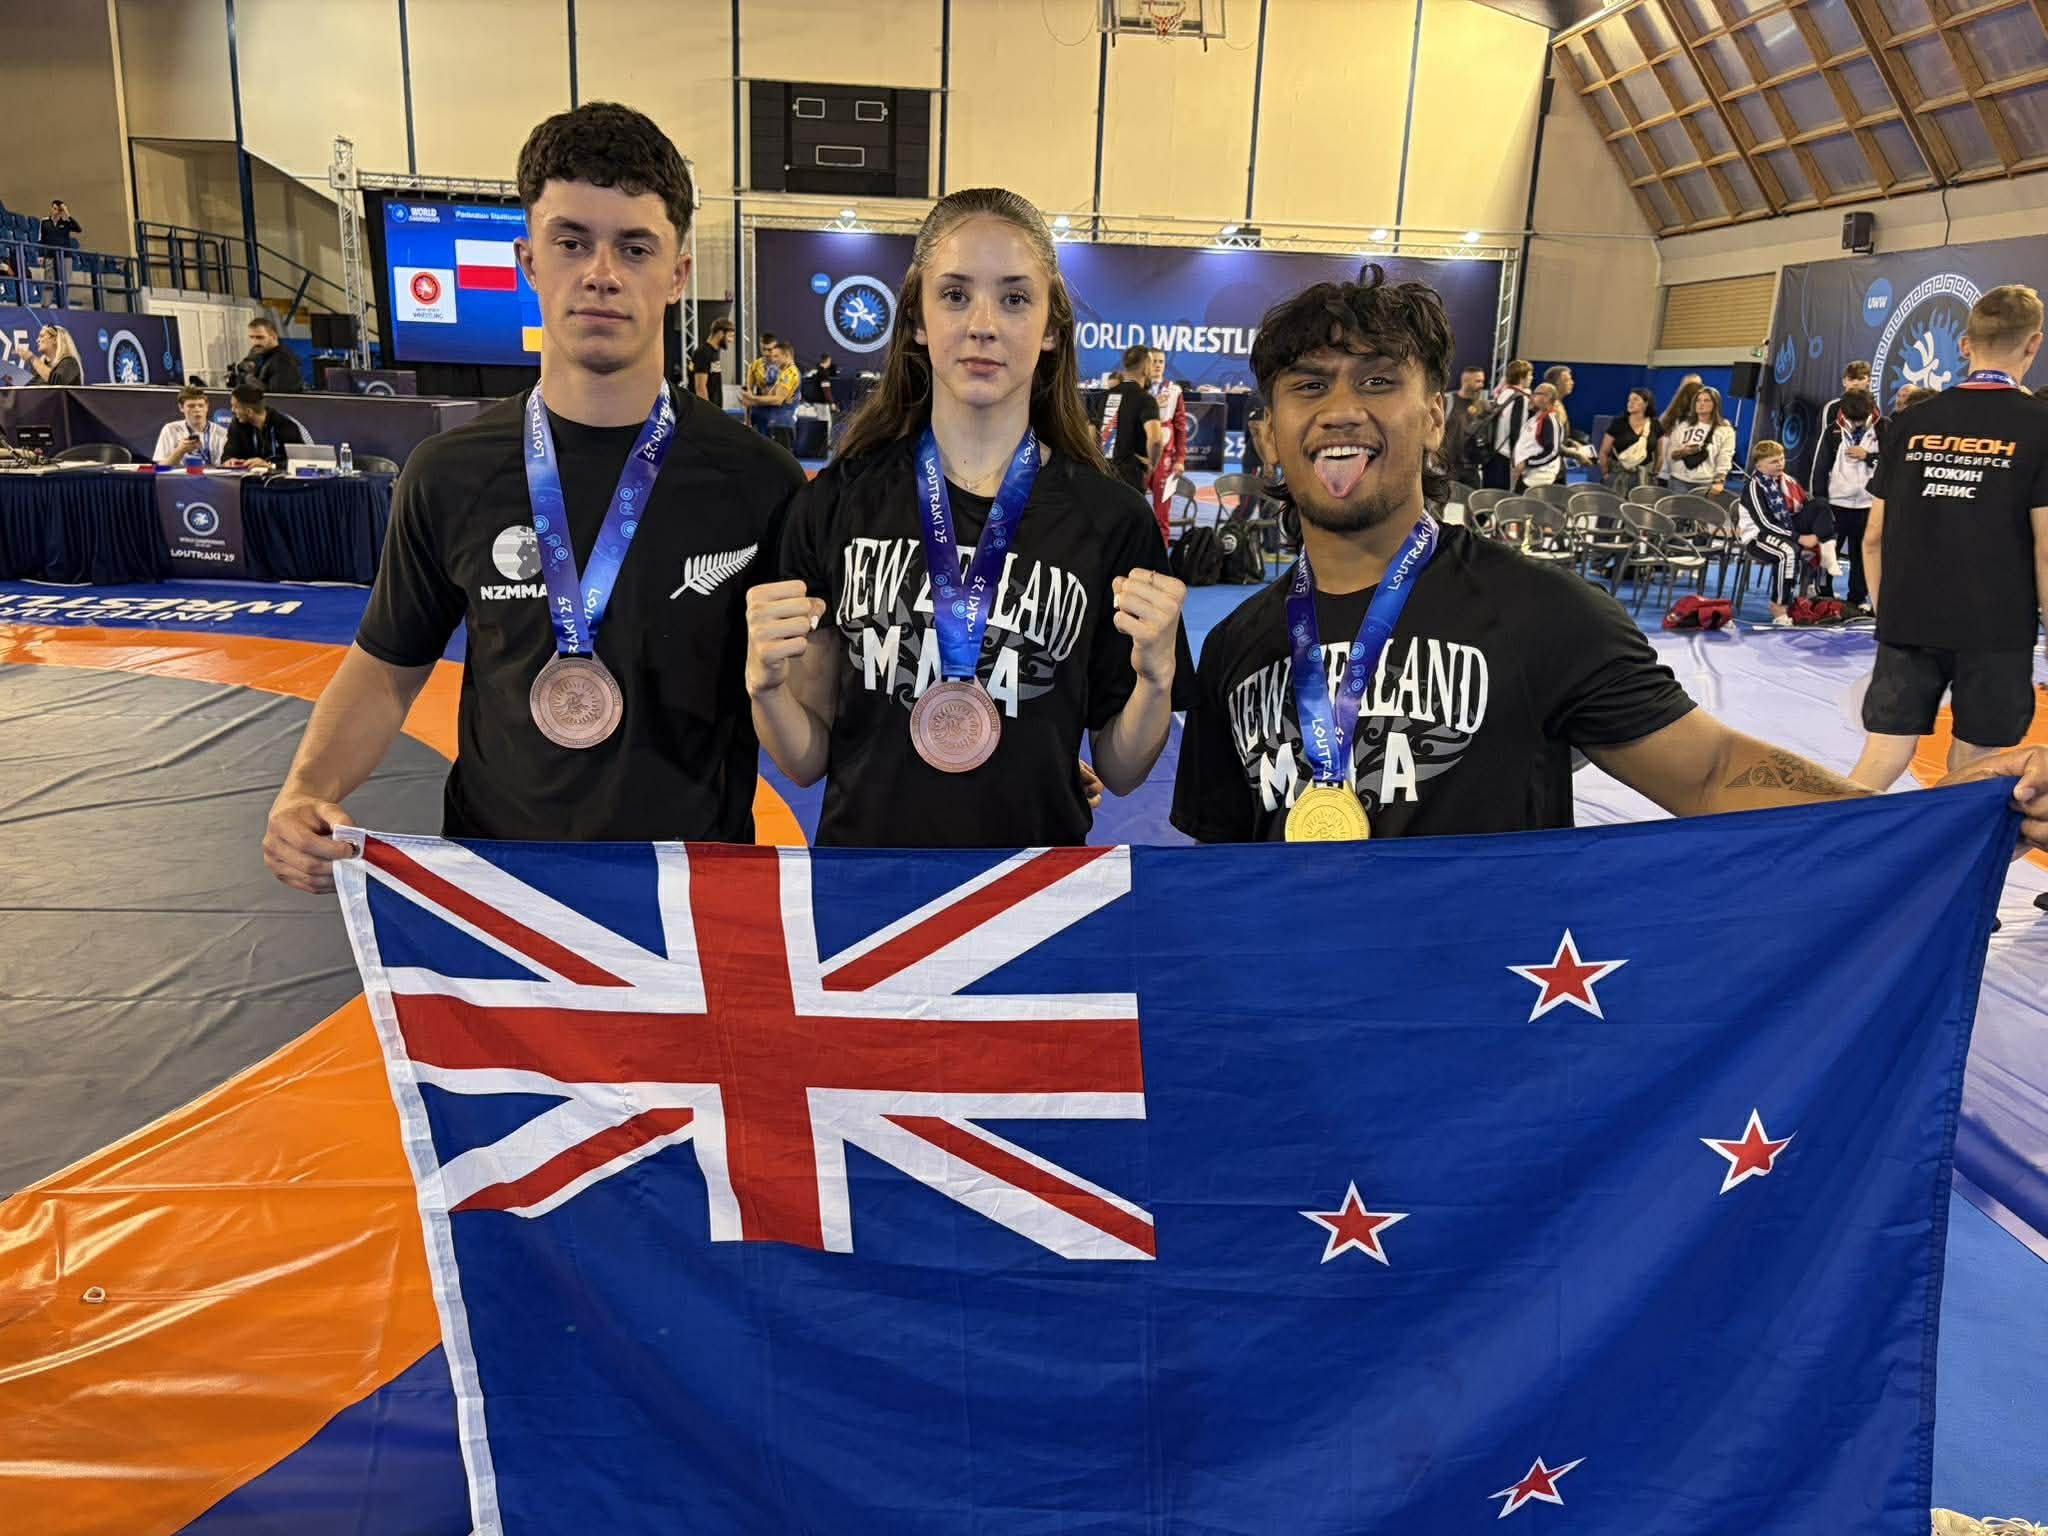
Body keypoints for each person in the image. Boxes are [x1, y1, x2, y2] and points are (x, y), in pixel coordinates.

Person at [1169, 266, 2048, 846]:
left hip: (1486, 1046)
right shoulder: (1240, 644)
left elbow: (1708, 775)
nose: (1341, 410)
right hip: (1299, 1047)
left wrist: (1954, 824)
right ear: (1269, 434)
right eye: (1308, 387)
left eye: (1377, 381)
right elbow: (1214, 862)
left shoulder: (1543, 614)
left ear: (1435, 417)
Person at [262, 101, 805, 894]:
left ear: (678, 274)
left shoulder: (761, 482)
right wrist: (307, 789)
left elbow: (795, 711)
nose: (601, 274)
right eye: (572, 241)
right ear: (528, 259)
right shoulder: (448, 472)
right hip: (501, 892)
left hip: (696, 891)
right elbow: (386, 669)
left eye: (635, 246)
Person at [743, 186, 1189, 849]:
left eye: (1014, 298)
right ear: (918, 319)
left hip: (1037, 897)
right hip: (868, 891)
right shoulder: (836, 503)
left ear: (1050, 329)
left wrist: (1156, 680)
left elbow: (1121, 773)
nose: (983, 323)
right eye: (955, 295)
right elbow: (807, 762)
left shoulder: (1111, 519)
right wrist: (766, 688)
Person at [1848, 284, 2048, 794]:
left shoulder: (1911, 422)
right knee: (1973, 768)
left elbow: (1873, 537)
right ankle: (1942, 870)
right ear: (2033, 345)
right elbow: (2046, 547)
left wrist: (1887, 611)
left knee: (1881, 756)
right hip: (1996, 626)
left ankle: (1817, 860)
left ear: (1965, 344)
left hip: (1908, 617)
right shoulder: (2040, 428)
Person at [1740, 440, 1835, 627]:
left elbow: (1805, 506)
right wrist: (1799, 538)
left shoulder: (1787, 480)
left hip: (1786, 528)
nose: (1780, 464)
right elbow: (1765, 523)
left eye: (1782, 459)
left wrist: (1814, 534)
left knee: (1821, 505)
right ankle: (1779, 607)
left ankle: (1817, 569)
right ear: (1759, 465)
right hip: (1758, 536)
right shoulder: (1754, 487)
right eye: (1774, 461)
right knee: (1787, 552)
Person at [1807, 387, 1882, 612]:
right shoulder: (1832, 431)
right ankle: (1824, 594)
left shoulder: (1885, 428)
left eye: (1861, 420)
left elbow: (1893, 461)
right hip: (1836, 504)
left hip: (1868, 505)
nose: (1857, 424)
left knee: (1863, 555)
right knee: (1828, 553)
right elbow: (1819, 468)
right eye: (1853, 420)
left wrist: (1869, 456)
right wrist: (1820, 504)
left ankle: (1858, 597)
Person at [1097, 343, 1162, 495]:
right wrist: (1152, 465)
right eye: (1152, 363)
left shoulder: (1104, 397)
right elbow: (1156, 440)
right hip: (1130, 479)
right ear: (1146, 366)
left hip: (1102, 475)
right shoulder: (1145, 399)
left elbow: (1089, 433)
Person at [1145, 346, 1188, 545]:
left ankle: (1161, 562)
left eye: (1161, 362)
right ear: (1146, 363)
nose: (1157, 366)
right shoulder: (1138, 389)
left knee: (1163, 515)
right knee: (1132, 510)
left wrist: (1180, 459)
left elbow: (1180, 427)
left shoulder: (1174, 390)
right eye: (1154, 361)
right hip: (1142, 457)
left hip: (1167, 461)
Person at [1664, 384, 1734, 496]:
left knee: (1699, 513)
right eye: (1698, 400)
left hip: (1704, 482)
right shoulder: (1683, 426)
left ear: (1715, 404)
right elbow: (1671, 453)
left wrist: (1719, 481)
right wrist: (1684, 452)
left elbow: (1725, 457)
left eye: (1706, 400)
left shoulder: (1724, 430)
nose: (1701, 404)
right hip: (1678, 479)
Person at [221, 383, 310, 469]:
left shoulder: (285, 425)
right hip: (247, 479)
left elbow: (300, 462)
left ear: (249, 412)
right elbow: (227, 455)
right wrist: (230, 460)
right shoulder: (237, 425)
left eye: (235, 407)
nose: (232, 410)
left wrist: (270, 465)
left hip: (279, 481)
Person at [1810, 360, 1871, 484]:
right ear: (1844, 381)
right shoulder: (1832, 408)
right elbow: (1821, 446)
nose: (1855, 383)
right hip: (1838, 476)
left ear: (1869, 381)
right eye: (1851, 379)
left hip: (1867, 476)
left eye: (1860, 379)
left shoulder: (1874, 409)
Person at [740, 340, 801, 452]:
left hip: (782, 423)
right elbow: (770, 396)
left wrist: (752, 399)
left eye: (777, 356)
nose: (773, 360)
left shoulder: (791, 373)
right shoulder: (783, 373)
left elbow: (777, 400)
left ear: (786, 355)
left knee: (781, 463)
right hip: (776, 423)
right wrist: (752, 402)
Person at [1482, 359, 1533, 490]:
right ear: (1522, 378)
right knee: (1501, 498)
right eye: (1529, 375)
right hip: (1506, 455)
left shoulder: (1502, 393)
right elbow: (1516, 429)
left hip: (1493, 452)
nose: (1532, 378)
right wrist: (1516, 458)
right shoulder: (1520, 398)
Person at [1600, 386, 1662, 494]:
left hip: (1644, 479)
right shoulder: (1618, 423)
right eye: (1629, 400)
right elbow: (1604, 452)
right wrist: (1606, 474)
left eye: (1635, 399)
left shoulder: (1655, 425)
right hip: (1618, 476)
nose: (1630, 403)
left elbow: (1659, 455)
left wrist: (1654, 475)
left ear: (1646, 403)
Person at [151, 384, 228, 466]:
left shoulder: (222, 433)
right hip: (180, 478)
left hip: (213, 478)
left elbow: (228, 465)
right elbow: (161, 467)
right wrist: (180, 451)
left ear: (207, 407)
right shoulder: (170, 430)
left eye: (201, 405)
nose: (197, 409)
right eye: (191, 406)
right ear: (181, 407)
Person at [1439, 365, 1490, 482]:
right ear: (1465, 381)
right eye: (1478, 381)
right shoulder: (1447, 401)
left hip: (1472, 468)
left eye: (1482, 381)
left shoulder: (1485, 406)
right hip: (1448, 468)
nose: (1481, 385)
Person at [1512, 381, 1564, 488]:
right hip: (1527, 474)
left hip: (1540, 476)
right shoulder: (1535, 418)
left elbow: (1553, 451)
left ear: (1547, 397)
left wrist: (1527, 462)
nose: (1532, 396)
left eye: (1537, 393)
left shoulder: (1550, 420)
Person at [237, 315, 304, 394]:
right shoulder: (258, 351)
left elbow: (278, 397)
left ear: (274, 337)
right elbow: (244, 367)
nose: (255, 342)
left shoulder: (283, 360)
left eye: (260, 337)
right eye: (251, 337)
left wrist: (248, 379)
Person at [13, 324, 83, 385]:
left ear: (54, 340)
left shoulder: (70, 362)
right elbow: (30, 386)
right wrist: (12, 379)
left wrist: (33, 358)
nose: (37, 340)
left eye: (42, 336)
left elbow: (58, 382)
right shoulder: (39, 366)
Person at [689, 315, 734, 404]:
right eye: (730, 336)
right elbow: (700, 387)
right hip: (704, 411)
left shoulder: (714, 352)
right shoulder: (703, 353)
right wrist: (708, 413)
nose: (731, 340)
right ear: (720, 334)